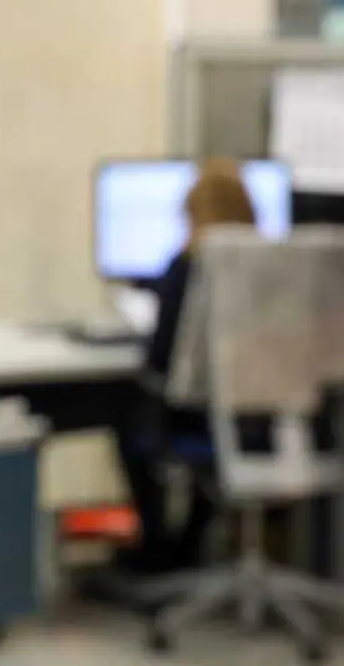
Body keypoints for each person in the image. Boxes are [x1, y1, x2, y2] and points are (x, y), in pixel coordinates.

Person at [114, 158, 258, 574]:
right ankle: (189, 545)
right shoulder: (268, 269)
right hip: (265, 420)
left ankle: (157, 546)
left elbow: (161, 356)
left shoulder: (187, 266)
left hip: (198, 418)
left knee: (123, 414)